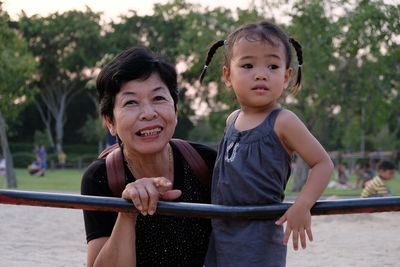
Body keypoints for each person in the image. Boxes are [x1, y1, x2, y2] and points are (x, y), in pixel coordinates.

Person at [199, 20, 334, 266]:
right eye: (248, 65)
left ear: (286, 76)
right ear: (228, 75)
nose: (261, 73)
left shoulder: (283, 121)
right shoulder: (232, 120)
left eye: (272, 66)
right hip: (222, 229)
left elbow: (323, 163)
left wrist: (302, 205)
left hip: (259, 234)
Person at [80, 46, 217, 267]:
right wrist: (128, 211)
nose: (149, 113)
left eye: (159, 98)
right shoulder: (101, 177)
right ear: (109, 122)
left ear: (176, 109)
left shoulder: (206, 163)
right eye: (131, 102)